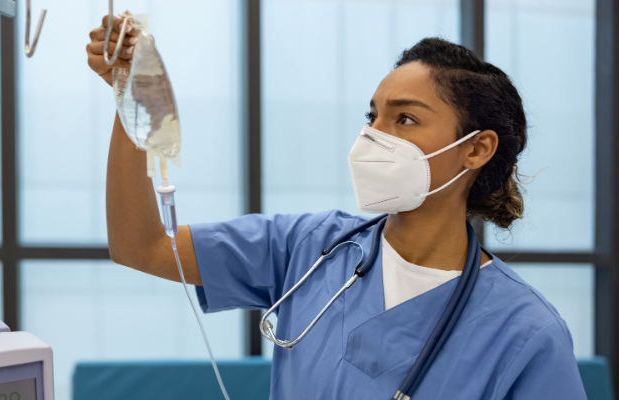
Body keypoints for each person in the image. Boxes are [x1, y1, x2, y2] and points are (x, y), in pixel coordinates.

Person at [86, 15, 587, 399]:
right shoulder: (310, 247)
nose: (374, 136)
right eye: (372, 116)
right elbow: (142, 246)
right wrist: (131, 93)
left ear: (476, 150)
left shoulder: (525, 332)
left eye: (405, 119)